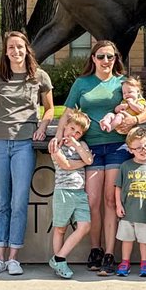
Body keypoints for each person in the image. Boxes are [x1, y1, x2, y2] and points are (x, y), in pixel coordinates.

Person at [52, 40, 146, 275]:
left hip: (118, 147)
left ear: (116, 58)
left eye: (110, 56)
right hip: (91, 149)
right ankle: (95, 248)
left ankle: (109, 253)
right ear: (93, 58)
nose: (105, 61)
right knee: (92, 201)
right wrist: (57, 138)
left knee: (110, 200)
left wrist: (134, 120)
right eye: (101, 57)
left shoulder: (122, 83)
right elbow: (67, 113)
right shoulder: (82, 83)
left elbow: (145, 109)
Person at [0, 31, 54, 276]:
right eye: (11, 47)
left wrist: (42, 127)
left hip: (24, 144)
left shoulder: (39, 77)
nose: (15, 51)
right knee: (1, 203)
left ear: (27, 49)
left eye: (20, 47)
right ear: (6, 51)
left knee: (19, 202)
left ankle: (14, 257)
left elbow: (50, 109)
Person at [49, 112, 94, 279]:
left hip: (80, 192)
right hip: (63, 191)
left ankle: (58, 257)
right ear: (65, 126)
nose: (73, 134)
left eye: (78, 132)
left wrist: (77, 146)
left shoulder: (81, 144)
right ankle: (59, 263)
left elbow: (89, 159)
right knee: (60, 228)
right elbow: (66, 164)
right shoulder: (56, 145)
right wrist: (82, 162)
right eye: (72, 129)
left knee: (85, 226)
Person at [114, 127, 146, 277]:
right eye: (138, 147)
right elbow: (118, 187)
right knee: (127, 239)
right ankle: (125, 262)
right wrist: (118, 205)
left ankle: (145, 263)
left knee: (144, 240)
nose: (143, 150)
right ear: (131, 150)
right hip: (127, 212)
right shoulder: (126, 166)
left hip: (145, 212)